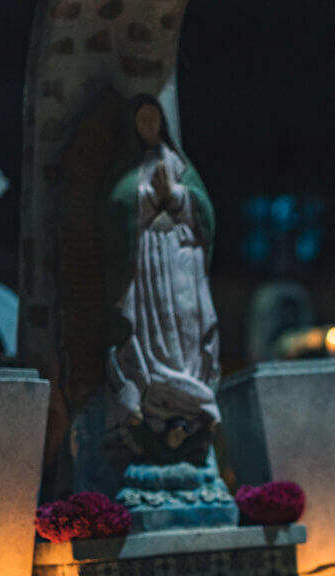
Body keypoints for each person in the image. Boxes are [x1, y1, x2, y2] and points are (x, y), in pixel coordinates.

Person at [104, 96, 220, 463]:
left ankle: (192, 395)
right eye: (143, 119)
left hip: (181, 263)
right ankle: (150, 397)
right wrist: (150, 198)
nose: (149, 125)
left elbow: (204, 211)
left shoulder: (179, 164)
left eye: (154, 118)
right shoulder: (126, 168)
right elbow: (116, 209)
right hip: (147, 264)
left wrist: (178, 196)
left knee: (189, 326)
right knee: (145, 328)